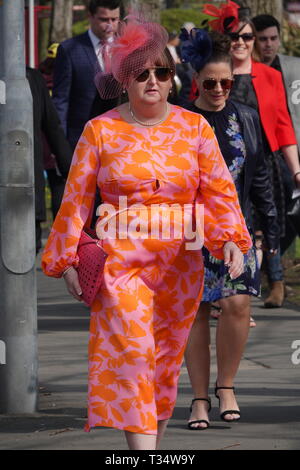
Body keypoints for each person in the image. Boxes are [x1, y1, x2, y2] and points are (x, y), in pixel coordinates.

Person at [41, 15, 252, 450]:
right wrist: (65, 260)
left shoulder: (194, 128)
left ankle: (147, 450)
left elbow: (218, 191)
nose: (153, 81)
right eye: (142, 73)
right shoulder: (100, 131)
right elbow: (76, 199)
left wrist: (230, 238)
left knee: (160, 366)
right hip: (121, 265)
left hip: (180, 264)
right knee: (133, 358)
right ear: (124, 78)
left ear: (173, 78)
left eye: (163, 71)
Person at [180, 28, 279, 429]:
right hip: (189, 235)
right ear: (195, 84)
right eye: (211, 83)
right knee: (196, 313)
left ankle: (227, 387)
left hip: (237, 231)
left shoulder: (247, 118)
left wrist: (268, 236)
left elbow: (261, 180)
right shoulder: (180, 122)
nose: (219, 88)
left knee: (238, 305)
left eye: (226, 82)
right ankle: (199, 398)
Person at [202, 1, 300, 308]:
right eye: (236, 38)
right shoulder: (213, 76)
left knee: (270, 221)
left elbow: (283, 124)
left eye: (248, 38)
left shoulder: (268, 75)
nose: (242, 43)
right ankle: (227, 287)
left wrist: (296, 169)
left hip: (264, 161)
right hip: (225, 166)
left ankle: (276, 284)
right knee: (236, 225)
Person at [252, 14, 300, 256]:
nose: (268, 44)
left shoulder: (293, 68)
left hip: (292, 151)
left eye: (273, 38)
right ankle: (274, 266)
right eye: (263, 39)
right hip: (268, 154)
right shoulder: (247, 73)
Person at [52, 0, 122, 150]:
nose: (110, 25)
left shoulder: (127, 48)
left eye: (115, 19)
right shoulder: (70, 49)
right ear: (90, 16)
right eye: (104, 19)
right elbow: (61, 100)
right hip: (81, 139)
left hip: (122, 139)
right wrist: (60, 147)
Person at [26, 67, 72, 253]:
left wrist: (70, 171)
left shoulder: (32, 78)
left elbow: (52, 128)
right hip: (26, 188)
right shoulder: (31, 77)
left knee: (25, 256)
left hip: (27, 188)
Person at [39, 43, 68, 220]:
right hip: (56, 140)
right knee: (59, 185)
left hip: (41, 141)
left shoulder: (38, 78)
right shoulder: (61, 79)